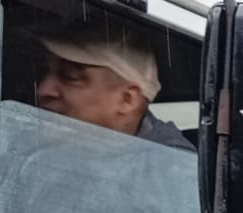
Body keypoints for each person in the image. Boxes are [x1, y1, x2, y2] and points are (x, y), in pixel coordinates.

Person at [34, 22, 193, 152]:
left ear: (127, 99)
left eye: (70, 76)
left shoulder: (169, 174)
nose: (43, 90)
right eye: (45, 70)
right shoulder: (36, 145)